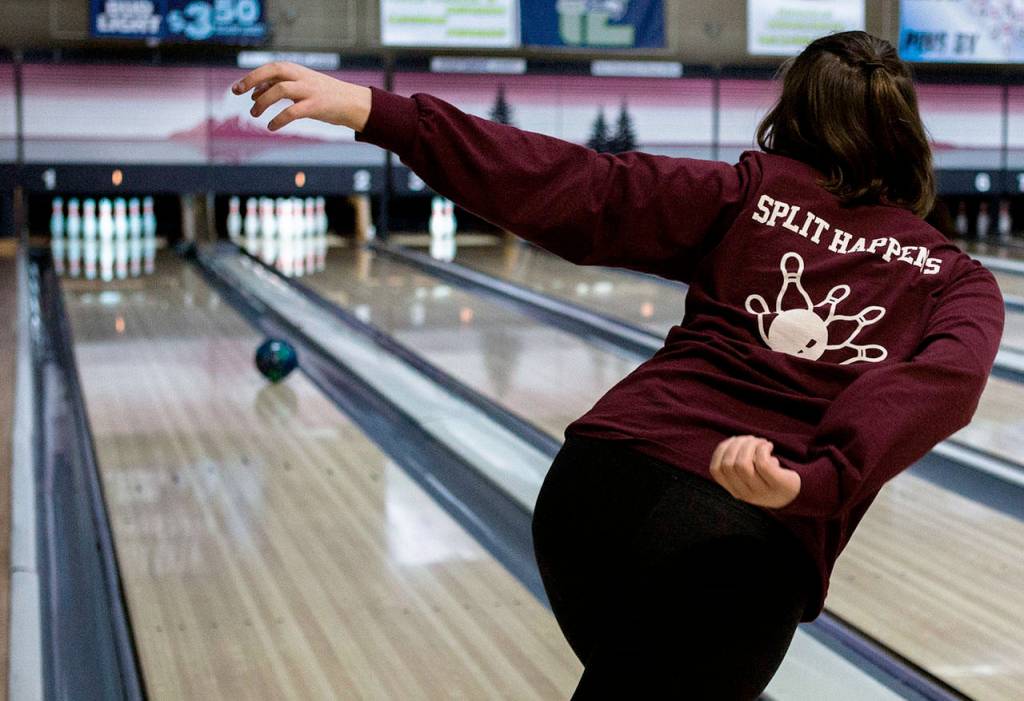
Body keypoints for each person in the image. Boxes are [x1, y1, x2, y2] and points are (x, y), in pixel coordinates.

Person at [232, 30, 1005, 699]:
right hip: (737, 541)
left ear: (790, 118)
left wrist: (381, 112)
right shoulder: (956, 279)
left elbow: (575, 185)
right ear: (912, 138)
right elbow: (938, 385)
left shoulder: (746, 192)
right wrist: (818, 476)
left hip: (594, 492)